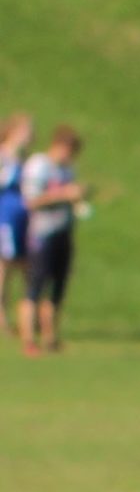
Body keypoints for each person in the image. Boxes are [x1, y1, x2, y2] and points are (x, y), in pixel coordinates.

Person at [19, 125, 88, 355]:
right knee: (35, 288)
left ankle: (50, 337)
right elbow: (31, 200)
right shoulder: (39, 165)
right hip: (41, 233)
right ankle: (28, 339)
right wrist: (63, 195)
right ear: (59, 145)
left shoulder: (67, 170)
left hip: (63, 232)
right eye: (69, 150)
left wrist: (78, 197)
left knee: (58, 286)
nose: (70, 156)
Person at [0, 112, 31, 342]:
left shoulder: (24, 160)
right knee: (4, 270)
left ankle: (27, 321)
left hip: (24, 220)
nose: (31, 135)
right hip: (5, 218)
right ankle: (2, 320)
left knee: (25, 268)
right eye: (27, 130)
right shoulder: (3, 157)